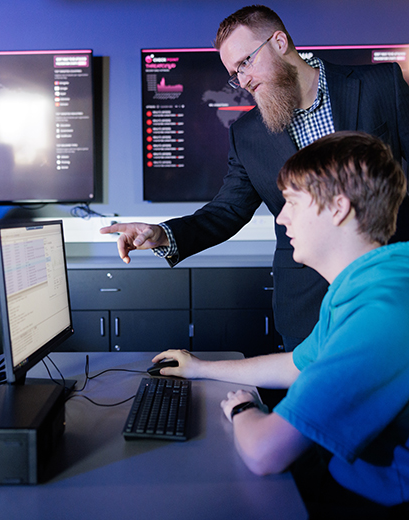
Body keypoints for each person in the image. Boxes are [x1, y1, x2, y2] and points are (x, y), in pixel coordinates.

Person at [100, 5, 409, 351]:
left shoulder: (384, 85)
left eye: (246, 62)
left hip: (393, 285)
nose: (242, 81)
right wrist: (161, 234)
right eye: (234, 73)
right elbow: (227, 210)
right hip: (308, 306)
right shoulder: (247, 134)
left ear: (279, 42)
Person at [153, 132, 409, 517]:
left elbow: (264, 452)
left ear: (338, 208)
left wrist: (243, 410)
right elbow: (298, 363)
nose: (281, 216)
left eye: (291, 202)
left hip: (377, 501)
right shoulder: (378, 279)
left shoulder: (380, 312)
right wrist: (200, 368)